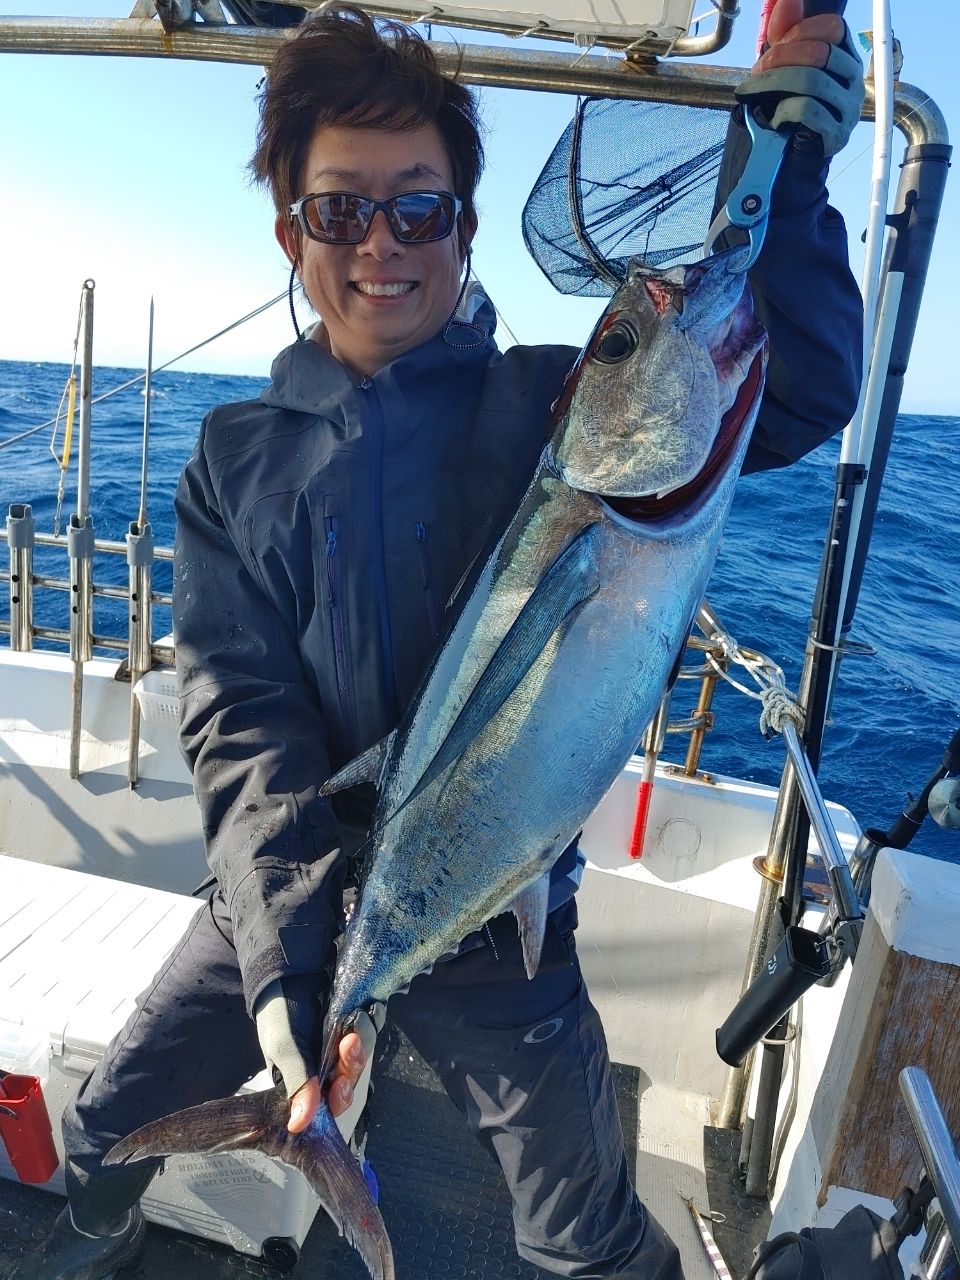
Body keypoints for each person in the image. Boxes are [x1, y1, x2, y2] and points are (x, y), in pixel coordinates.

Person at [6, 3, 864, 1277]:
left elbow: (792, 386)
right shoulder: (233, 462)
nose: (381, 246)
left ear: (464, 223)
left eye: (420, 209)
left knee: (579, 1222)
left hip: (498, 906)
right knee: (112, 1118)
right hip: (290, 878)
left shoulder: (547, 407)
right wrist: (288, 976)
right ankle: (78, 1237)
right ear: (291, 230)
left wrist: (788, 167)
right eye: (341, 210)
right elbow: (245, 723)